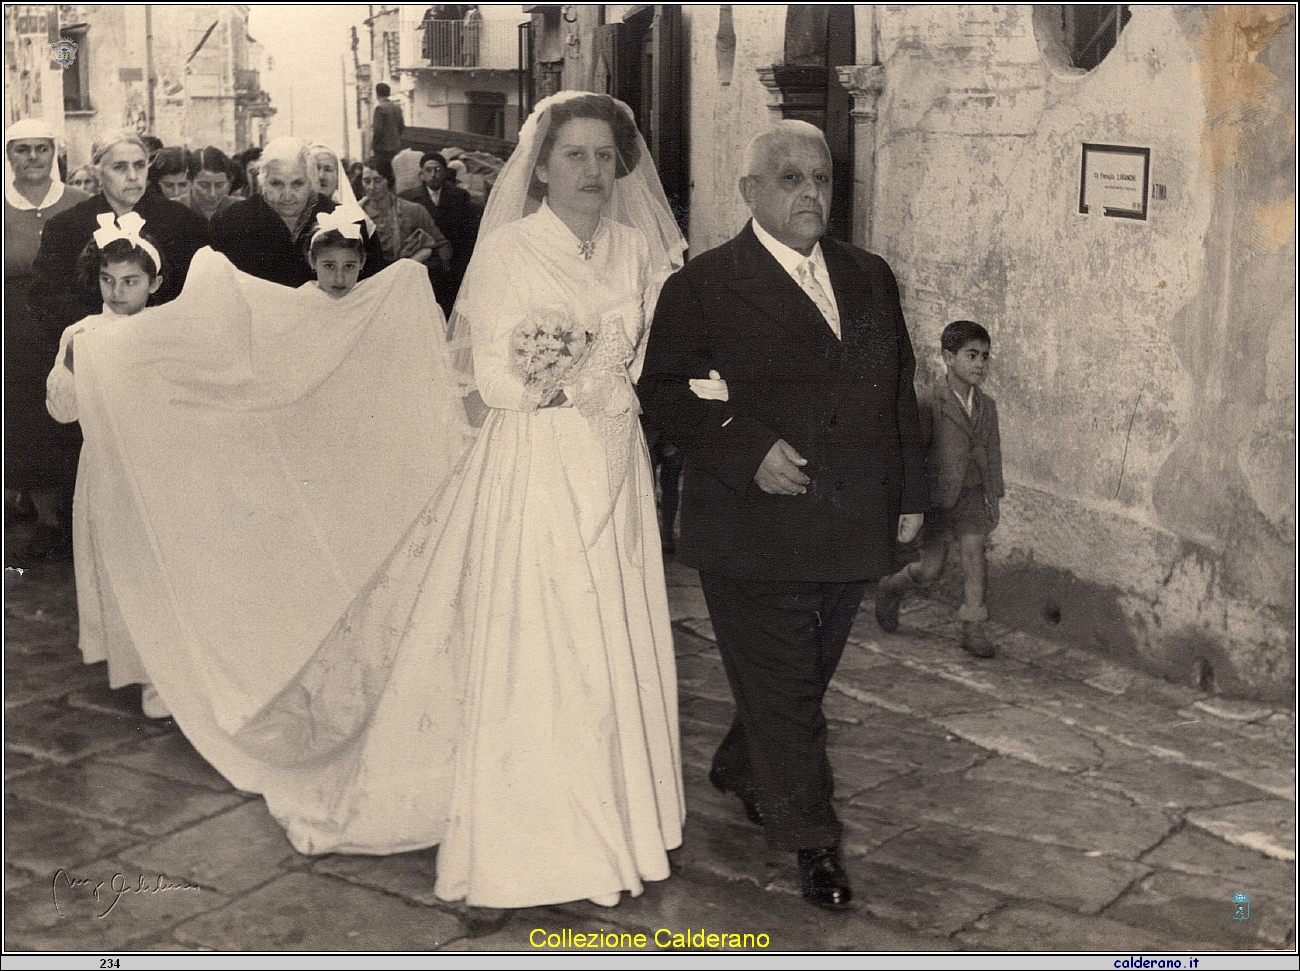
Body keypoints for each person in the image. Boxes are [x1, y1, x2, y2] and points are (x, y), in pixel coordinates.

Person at [638, 120, 927, 911]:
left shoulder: (869, 275)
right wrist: (746, 446)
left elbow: (897, 388)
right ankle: (812, 839)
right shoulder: (703, 285)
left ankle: (742, 762)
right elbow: (662, 393)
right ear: (750, 191)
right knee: (791, 690)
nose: (810, 193)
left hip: (850, 521)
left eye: (821, 179)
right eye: (791, 178)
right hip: (751, 528)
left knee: (799, 676)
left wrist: (910, 494)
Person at [45, 215, 168, 714]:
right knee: (121, 565)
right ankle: (138, 665)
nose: (117, 293)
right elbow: (63, 411)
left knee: (161, 564)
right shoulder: (82, 333)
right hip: (106, 469)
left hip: (159, 467)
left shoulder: (166, 331)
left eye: (131, 282)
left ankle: (167, 669)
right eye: (107, 280)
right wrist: (73, 363)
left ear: (154, 283)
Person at [874, 320, 1003, 658]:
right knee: (931, 568)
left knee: (974, 554)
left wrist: (993, 495)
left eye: (985, 357)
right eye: (971, 355)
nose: (980, 364)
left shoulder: (987, 406)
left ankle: (973, 625)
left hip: (971, 494)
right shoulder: (930, 401)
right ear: (948, 357)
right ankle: (891, 587)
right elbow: (913, 453)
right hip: (936, 499)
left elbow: (992, 453)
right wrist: (912, 502)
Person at [4, 119, 90, 561]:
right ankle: (47, 520)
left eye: (41, 148)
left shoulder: (79, 202)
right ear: (9, 156)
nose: (33, 157)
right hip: (15, 329)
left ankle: (78, 514)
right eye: (22, 149)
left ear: (54, 153)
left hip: (69, 322)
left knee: (73, 412)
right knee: (27, 418)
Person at [210, 137, 384, 289]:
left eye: (297, 184)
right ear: (262, 182)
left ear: (312, 183)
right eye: (276, 184)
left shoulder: (349, 222)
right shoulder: (230, 222)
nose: (287, 195)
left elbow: (372, 287)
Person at [399, 150, 481, 315]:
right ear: (421, 174)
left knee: (451, 307)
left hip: (454, 263)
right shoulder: (408, 198)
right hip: (424, 263)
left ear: (444, 172)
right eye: (428, 170)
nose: (433, 175)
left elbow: (469, 233)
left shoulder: (459, 196)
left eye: (437, 170)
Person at [359, 155, 449, 273]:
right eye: (366, 181)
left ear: (389, 180)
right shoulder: (356, 214)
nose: (371, 187)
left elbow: (442, 245)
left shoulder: (413, 210)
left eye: (378, 180)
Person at [186, 146, 237, 223]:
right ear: (190, 182)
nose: (212, 194)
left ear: (229, 183)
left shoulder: (241, 209)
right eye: (204, 186)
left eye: (219, 185)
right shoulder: (173, 210)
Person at [371, 83, 405, 165]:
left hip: (383, 149)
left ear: (377, 94)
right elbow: (401, 126)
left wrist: (374, 145)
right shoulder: (397, 107)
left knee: (383, 169)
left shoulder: (380, 108)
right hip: (396, 146)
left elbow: (377, 130)